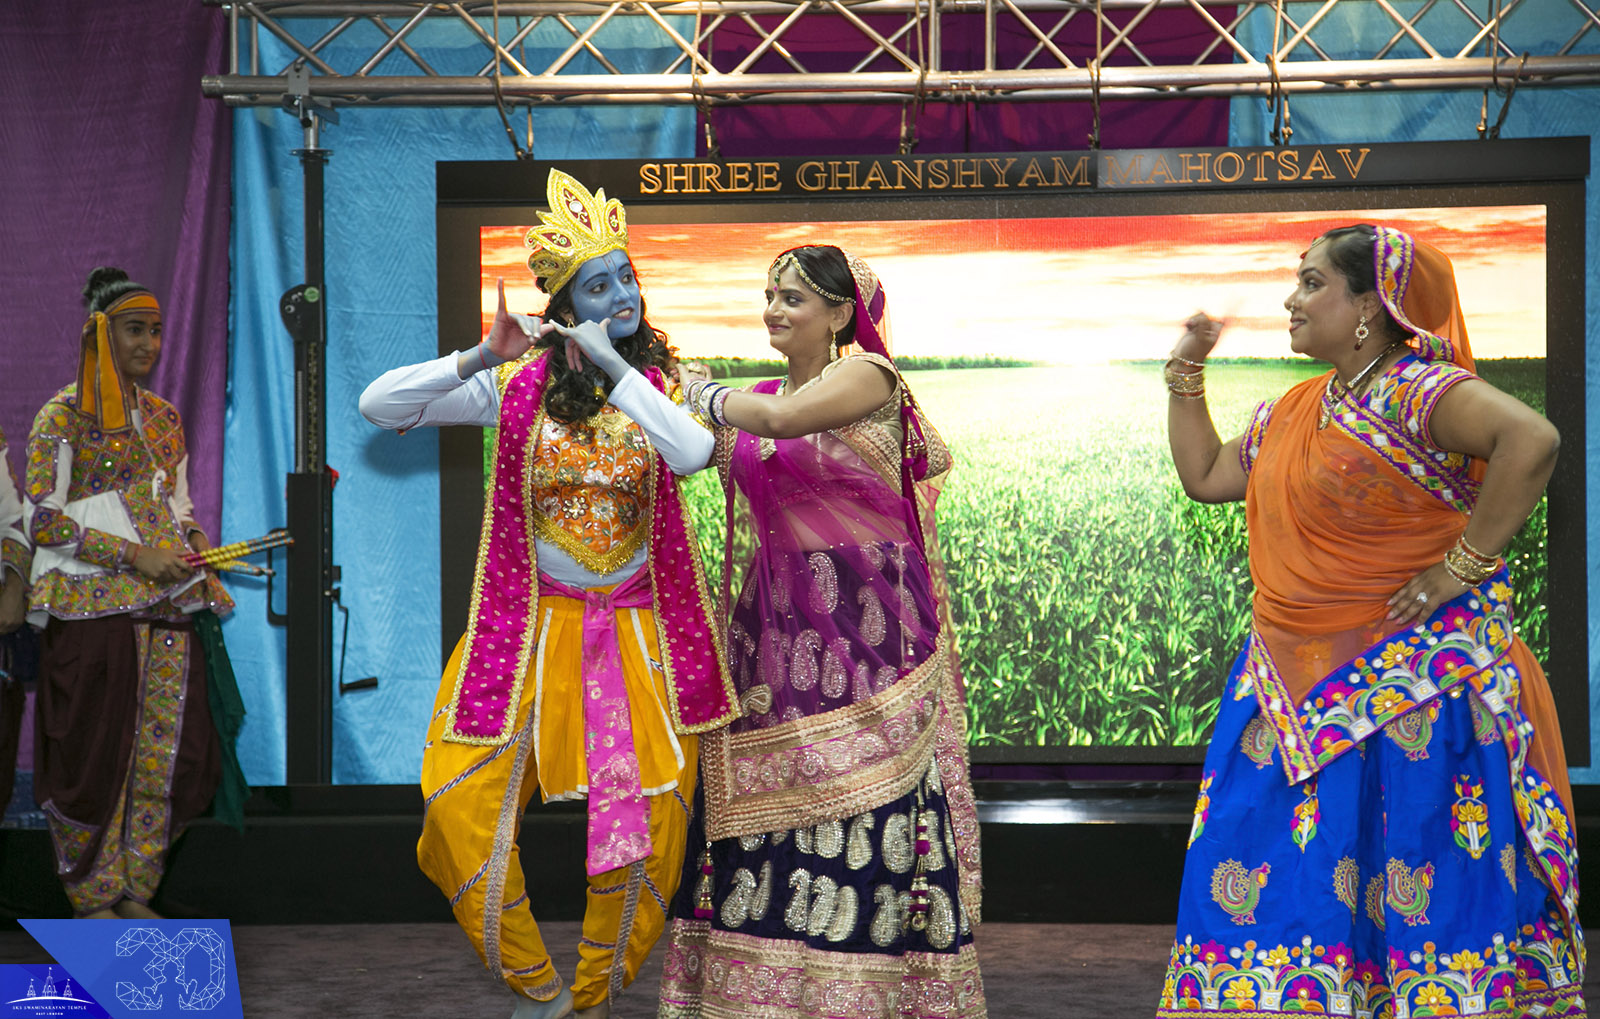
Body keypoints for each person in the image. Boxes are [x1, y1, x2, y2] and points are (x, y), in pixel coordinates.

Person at [1157, 225, 1581, 1018]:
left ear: (1369, 306)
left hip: (1418, 693)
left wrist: (1462, 566)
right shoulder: (1295, 409)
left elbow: (1532, 438)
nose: (1292, 298)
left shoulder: (1419, 391)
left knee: (1426, 885)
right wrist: (1186, 371)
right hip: (1292, 695)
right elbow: (1206, 474)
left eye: (1312, 282)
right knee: (1275, 887)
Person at [359, 169, 738, 1019]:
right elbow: (378, 405)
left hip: (636, 638)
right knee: (455, 803)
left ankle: (593, 996)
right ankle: (537, 986)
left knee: (652, 828)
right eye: (599, 287)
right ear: (565, 305)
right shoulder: (516, 387)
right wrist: (481, 356)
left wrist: (617, 367)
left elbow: (691, 454)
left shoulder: (668, 383)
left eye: (627, 276)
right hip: (527, 632)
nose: (623, 294)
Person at [649, 245, 987, 1018]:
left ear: (840, 313)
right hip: (773, 633)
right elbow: (700, 446)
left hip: (868, 632)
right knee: (772, 799)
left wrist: (697, 390)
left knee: (865, 792)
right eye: (769, 293)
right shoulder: (761, 394)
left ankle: (868, 994)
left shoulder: (869, 375)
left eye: (793, 297)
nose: (774, 308)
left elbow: (780, 422)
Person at [24, 267, 243, 919]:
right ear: (100, 333)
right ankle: (92, 894)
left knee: (166, 755)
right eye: (134, 330)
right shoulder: (62, 417)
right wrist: (134, 554)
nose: (149, 343)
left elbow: (178, 506)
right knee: (95, 751)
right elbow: (44, 521)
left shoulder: (165, 418)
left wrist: (196, 548)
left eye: (155, 330)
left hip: (169, 610)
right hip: (92, 612)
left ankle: (132, 890)